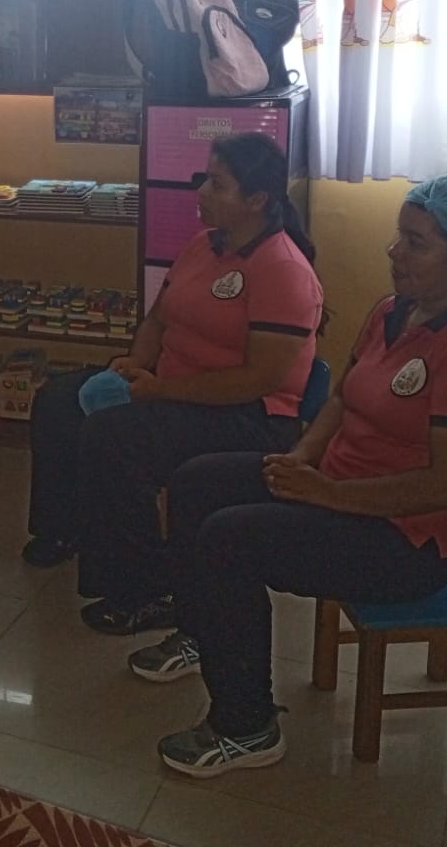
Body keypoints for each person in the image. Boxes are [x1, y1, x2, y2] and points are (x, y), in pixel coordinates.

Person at [129, 175, 447, 777]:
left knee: (228, 540)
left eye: (416, 243)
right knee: (195, 483)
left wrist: (329, 494)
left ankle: (246, 727)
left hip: (405, 541)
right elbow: (340, 397)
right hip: (334, 490)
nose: (394, 252)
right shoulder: (392, 312)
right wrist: (303, 457)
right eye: (399, 236)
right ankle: (203, 632)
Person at [23, 132, 325, 635]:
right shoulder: (204, 245)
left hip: (248, 416)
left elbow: (257, 380)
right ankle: (63, 530)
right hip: (173, 387)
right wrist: (134, 363)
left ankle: (145, 590)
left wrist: (159, 391)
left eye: (218, 184)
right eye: (204, 178)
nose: (201, 192)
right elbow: (158, 319)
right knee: (58, 401)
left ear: (256, 200)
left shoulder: (283, 269)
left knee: (115, 438)